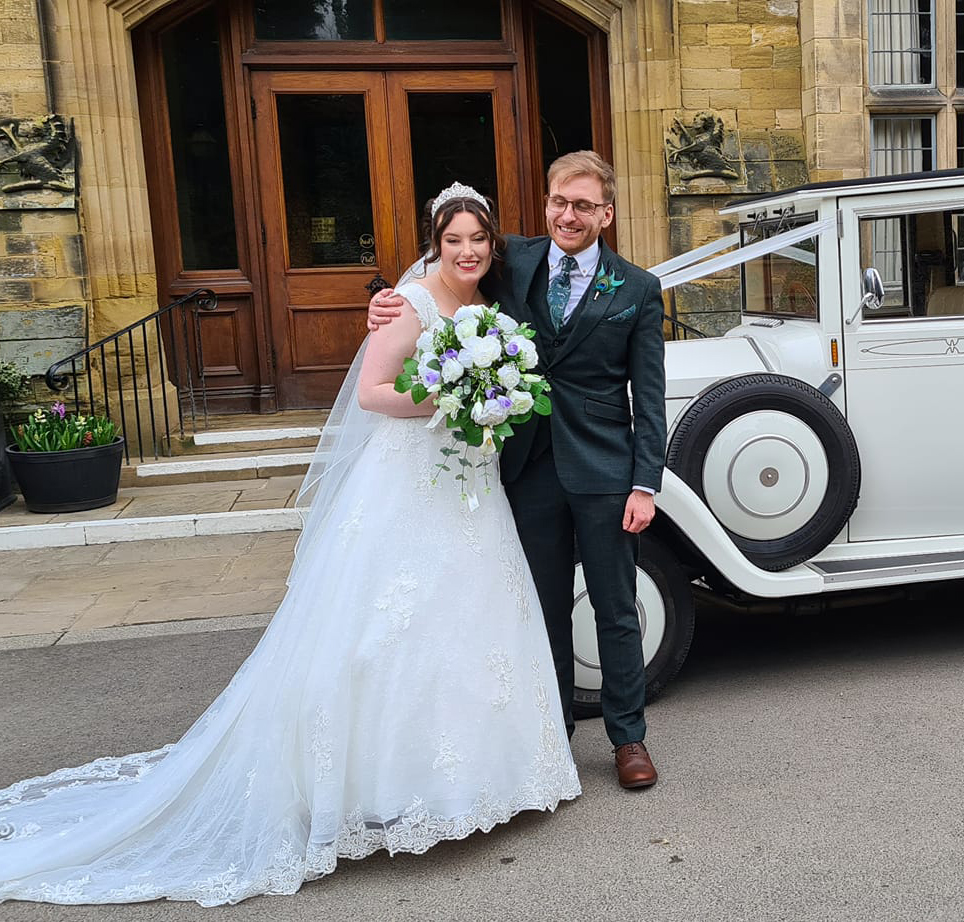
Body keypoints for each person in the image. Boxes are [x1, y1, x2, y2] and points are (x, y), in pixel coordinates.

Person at [0, 185, 580, 907]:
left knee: (471, 625)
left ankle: (480, 778)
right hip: (408, 486)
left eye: (479, 240)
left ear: (494, 245)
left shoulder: (489, 313)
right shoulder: (410, 304)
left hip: (469, 491)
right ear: (435, 242)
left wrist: (490, 400)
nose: (467, 251)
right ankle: (383, 788)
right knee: (383, 633)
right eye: (454, 239)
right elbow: (372, 392)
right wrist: (450, 401)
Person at [368, 151, 667, 791]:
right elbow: (451, 267)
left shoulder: (637, 289)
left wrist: (646, 483)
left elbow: (650, 392)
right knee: (543, 606)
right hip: (526, 468)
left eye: (584, 205)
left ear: (606, 214)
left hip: (606, 471)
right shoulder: (518, 260)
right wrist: (389, 304)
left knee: (615, 608)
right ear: (548, 204)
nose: (569, 214)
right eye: (560, 201)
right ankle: (553, 734)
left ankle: (629, 739)